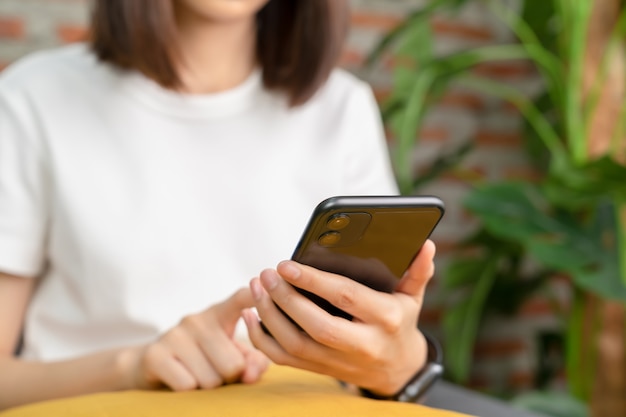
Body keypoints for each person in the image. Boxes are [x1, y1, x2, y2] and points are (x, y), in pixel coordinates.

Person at [0, 0, 438, 410]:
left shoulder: (341, 107)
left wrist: (400, 362)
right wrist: (133, 367)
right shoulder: (35, 98)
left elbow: (375, 360)